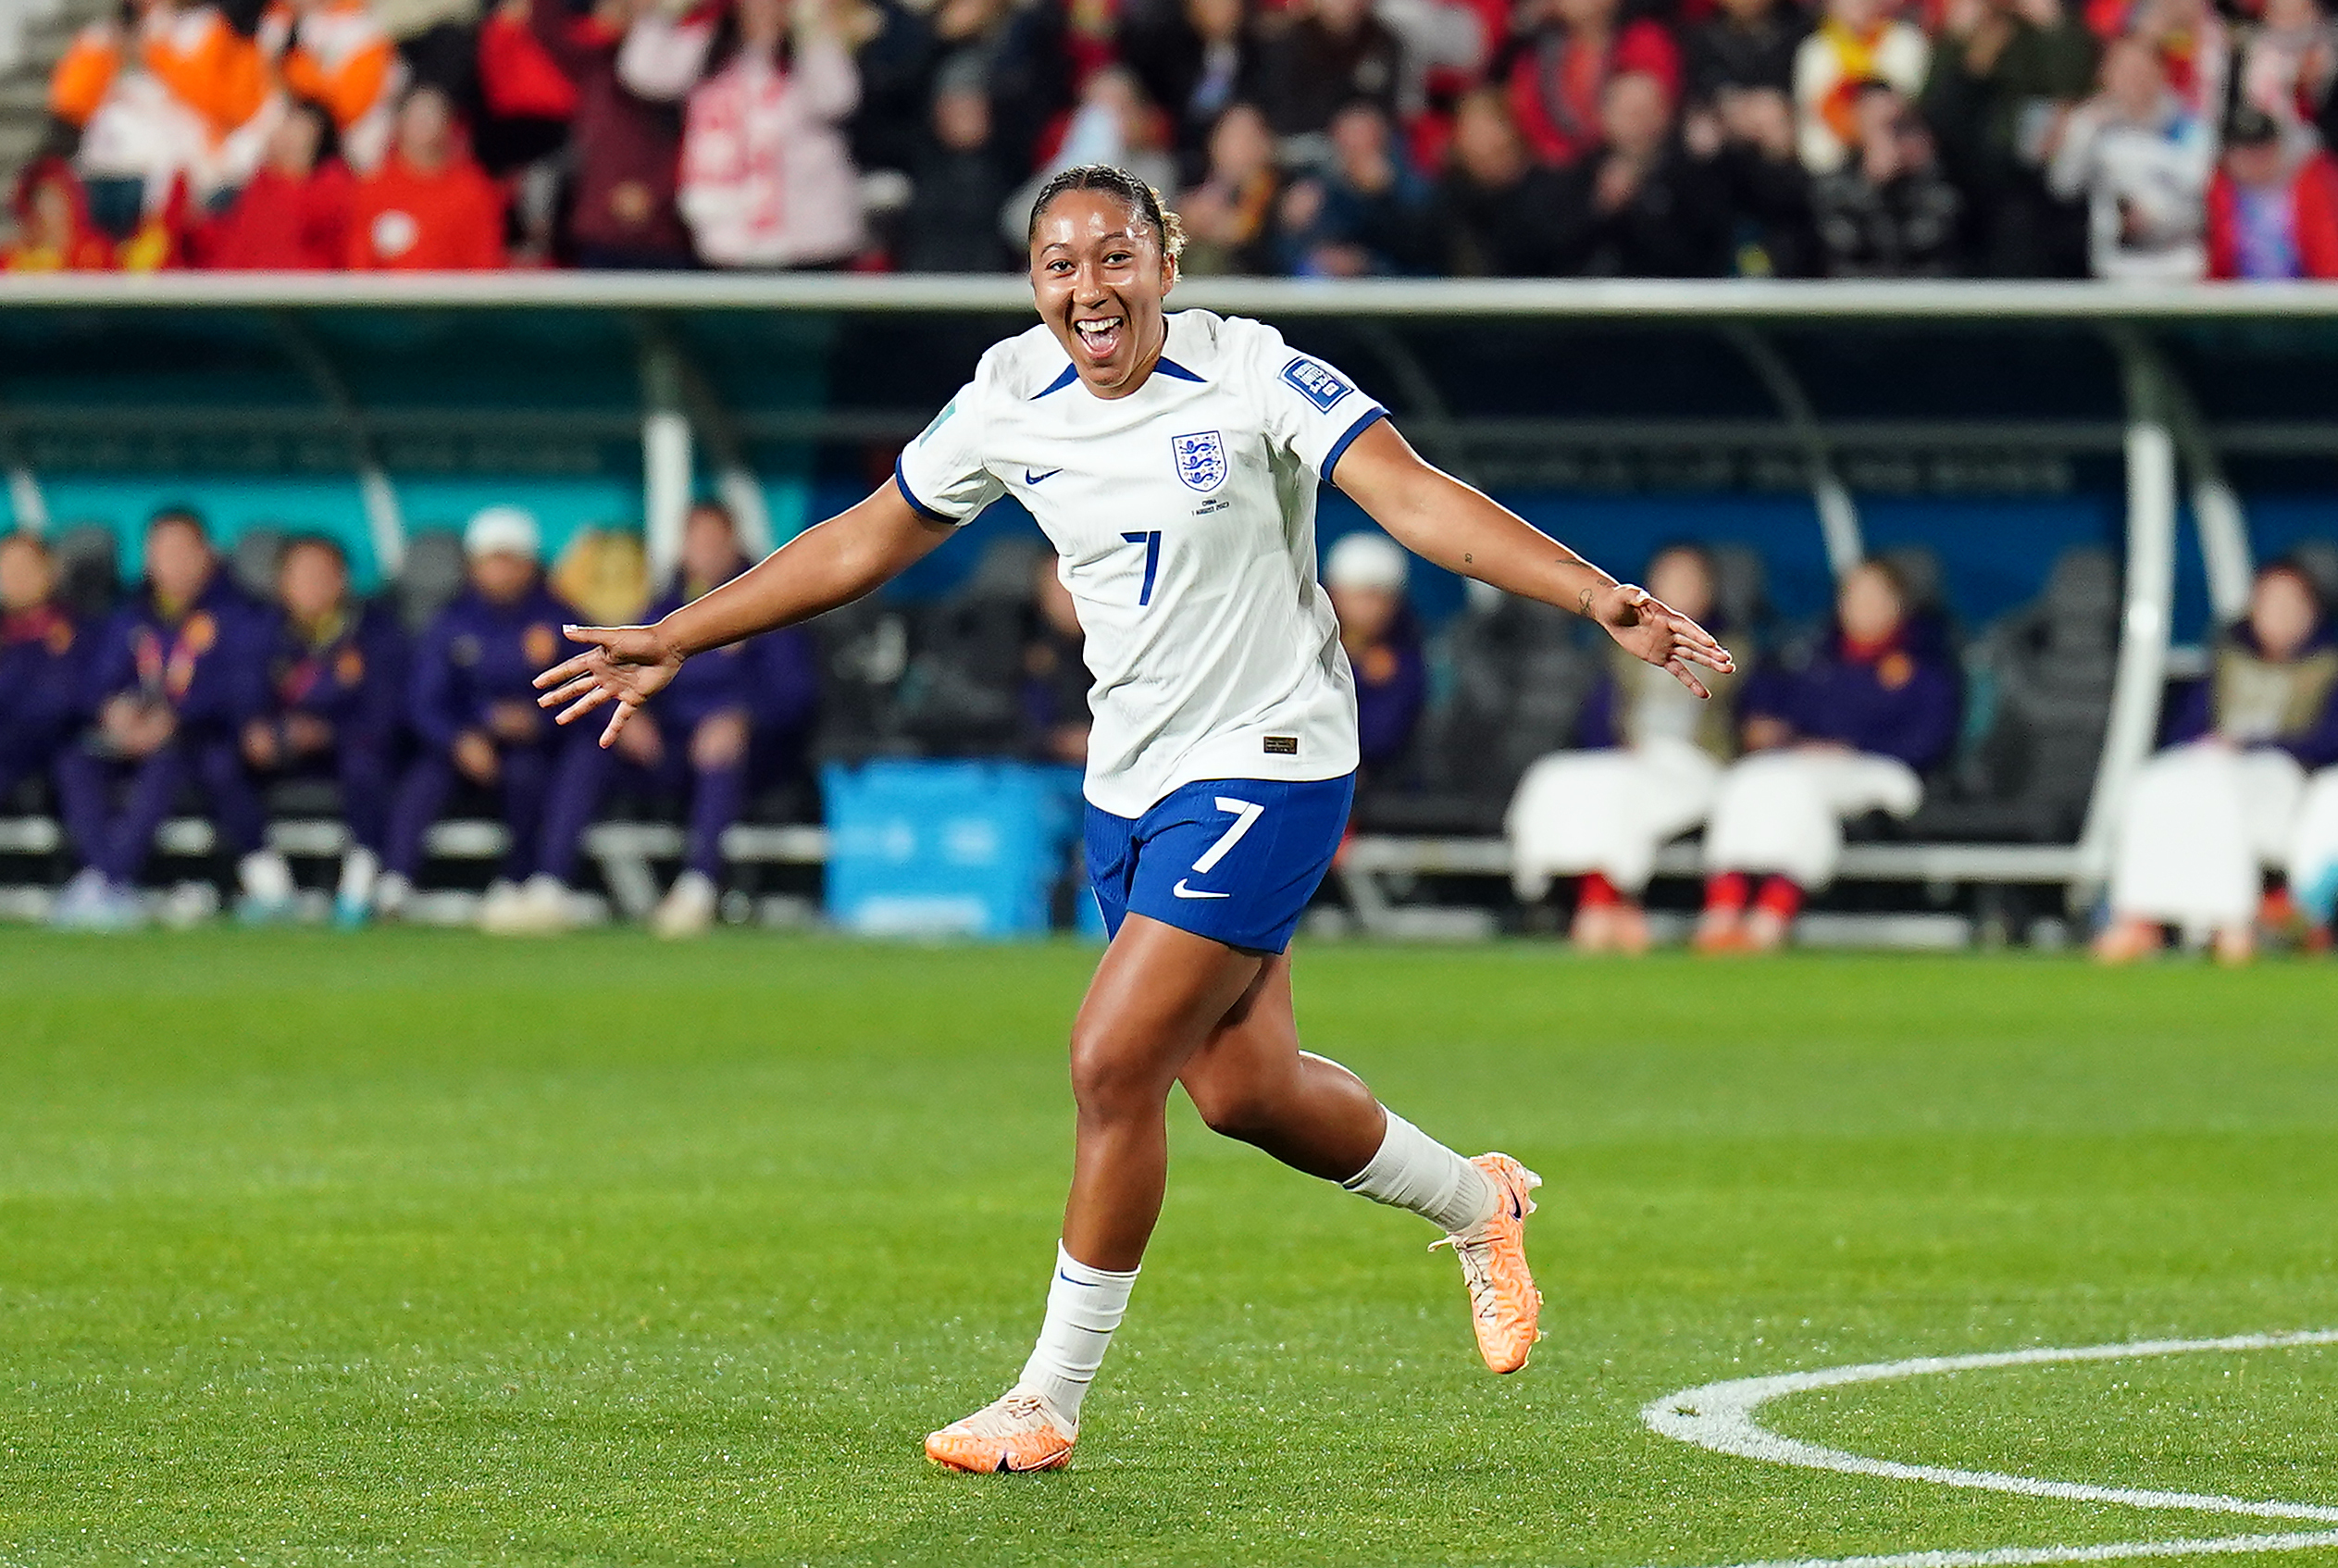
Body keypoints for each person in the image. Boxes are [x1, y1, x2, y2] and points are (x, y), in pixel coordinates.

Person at [531, 163, 1732, 1472]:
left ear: (1166, 260)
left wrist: (1591, 591)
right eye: (1059, 264)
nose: (1087, 288)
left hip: (1271, 757)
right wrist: (678, 637)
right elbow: (865, 537)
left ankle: (1048, 1396)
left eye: (1114, 257)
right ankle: (1478, 1198)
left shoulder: (1255, 371)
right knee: (1241, 1091)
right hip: (1133, 779)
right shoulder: (1005, 396)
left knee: (1111, 1062)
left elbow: (1414, 497)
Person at [521, 502, 816, 937]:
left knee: (720, 749)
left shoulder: (766, 603)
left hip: (749, 756)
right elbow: (632, 668)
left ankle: (698, 888)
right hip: (672, 746)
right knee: (595, 745)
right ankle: (549, 884)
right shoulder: (666, 606)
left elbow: (795, 692)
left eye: (714, 540)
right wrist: (634, 716)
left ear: (733, 543)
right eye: (695, 540)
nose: (703, 550)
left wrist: (744, 719)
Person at [1697, 556, 1959, 953]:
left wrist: (1851, 749)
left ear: (1899, 603)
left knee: (1798, 786)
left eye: (1874, 595)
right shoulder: (1816, 658)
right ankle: (1723, 909)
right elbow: (1778, 710)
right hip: (1804, 762)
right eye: (1853, 595)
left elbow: (1930, 740)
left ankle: (1773, 914)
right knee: (1748, 777)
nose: (1862, 605)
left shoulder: (1927, 667)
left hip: (1885, 772)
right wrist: (1776, 731)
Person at [51, 507, 295, 930]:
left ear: (207, 555)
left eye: (184, 551)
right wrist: (112, 710)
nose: (173, 563)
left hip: (199, 736)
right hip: (130, 736)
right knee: (74, 762)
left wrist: (176, 716)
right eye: (162, 552)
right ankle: (107, 877)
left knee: (173, 762)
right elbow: (95, 681)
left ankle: (110, 880)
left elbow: (243, 688)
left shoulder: (239, 615)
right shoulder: (130, 614)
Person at [1507, 543, 1746, 954]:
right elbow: (1597, 715)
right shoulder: (1620, 649)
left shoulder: (1738, 652)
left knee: (1621, 787)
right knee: (1557, 775)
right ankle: (1588, 899)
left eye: (1688, 581)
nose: (1677, 590)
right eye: (1668, 579)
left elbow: (1750, 721)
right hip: (1633, 757)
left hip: (1696, 765)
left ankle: (1603, 904)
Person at [2097, 560, 2338, 964]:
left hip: (2286, 773)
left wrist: (2252, 743)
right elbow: (2188, 722)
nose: (2278, 614)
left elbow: (2326, 739)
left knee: (2220, 796)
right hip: (2213, 760)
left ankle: (2233, 924)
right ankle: (2138, 918)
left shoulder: (2328, 663)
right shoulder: (2228, 655)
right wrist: (2211, 742)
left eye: (2290, 604)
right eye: (2269, 602)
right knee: (2156, 783)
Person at [379, 507, 580, 929]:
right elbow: (424, 701)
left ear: (531, 563)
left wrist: (537, 722)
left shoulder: (559, 618)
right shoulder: (451, 620)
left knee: (530, 776)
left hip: (535, 747)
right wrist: (463, 735)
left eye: (511, 559)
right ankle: (394, 880)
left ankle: (518, 882)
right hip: (461, 743)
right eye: (492, 560)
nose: (501, 571)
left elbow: (584, 688)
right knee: (424, 777)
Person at [243, 535, 407, 927]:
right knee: (219, 761)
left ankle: (360, 882)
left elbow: (385, 711)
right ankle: (267, 885)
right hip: (282, 750)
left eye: (323, 574)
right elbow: (240, 696)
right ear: (282, 583)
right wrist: (263, 730)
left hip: (349, 746)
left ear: (343, 581)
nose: (313, 585)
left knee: (368, 765)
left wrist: (328, 731)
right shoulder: (262, 633)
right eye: (302, 575)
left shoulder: (375, 633)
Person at [656, 0, 866, 269]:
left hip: (810, 242)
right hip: (728, 241)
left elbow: (837, 99)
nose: (763, 8)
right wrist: (672, 10)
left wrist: (809, 28)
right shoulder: (710, 54)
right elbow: (645, 73)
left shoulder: (809, 55)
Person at [510, 0, 694, 269]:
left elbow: (705, 146)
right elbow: (546, 28)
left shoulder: (683, 71)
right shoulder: (596, 66)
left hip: (662, 240)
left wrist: (657, 193)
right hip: (599, 239)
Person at [2046, 34, 2212, 279]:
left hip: (2179, 265)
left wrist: (2155, 216)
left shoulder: (2190, 127)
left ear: (2161, 73)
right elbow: (2063, 186)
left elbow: (2203, 191)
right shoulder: (2090, 124)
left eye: (2141, 69)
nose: (2133, 79)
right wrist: (2082, 131)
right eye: (2123, 69)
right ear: (2106, 75)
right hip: (2114, 267)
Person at [1551, 68, 1734, 276]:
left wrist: (1641, 207)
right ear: (1604, 116)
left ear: (1666, 115)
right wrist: (1600, 210)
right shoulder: (1580, 172)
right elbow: (1552, 249)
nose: (1640, 123)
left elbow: (1704, 253)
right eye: (1630, 113)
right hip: (1592, 298)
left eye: (1648, 112)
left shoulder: (1693, 174)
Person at [1809, 81, 1968, 276]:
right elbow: (1845, 245)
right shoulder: (1832, 187)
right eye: (1878, 126)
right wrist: (1872, 186)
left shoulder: (1936, 183)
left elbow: (1933, 242)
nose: (1890, 138)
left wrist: (1920, 175)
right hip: (1857, 295)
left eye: (1896, 126)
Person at [346, 82, 509, 268]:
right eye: (415, 116)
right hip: (388, 296)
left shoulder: (473, 191)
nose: (422, 124)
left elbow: (485, 263)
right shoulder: (372, 188)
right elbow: (358, 264)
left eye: (431, 116)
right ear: (399, 123)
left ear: (448, 125)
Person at [1502, 0, 1682, 168]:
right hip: (1580, 174)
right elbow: (1546, 143)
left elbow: (1650, 115)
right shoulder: (1535, 67)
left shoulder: (1644, 37)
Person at [190, 96, 356, 269]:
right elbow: (221, 247)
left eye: (298, 136)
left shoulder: (327, 204)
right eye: (287, 126)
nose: (284, 138)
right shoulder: (248, 196)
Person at [0, 535, 97, 825]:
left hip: (57, 742)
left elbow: (73, 699)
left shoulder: (77, 632)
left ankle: (106, 869)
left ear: (51, 571)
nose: (17, 578)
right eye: (7, 570)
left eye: (26, 568)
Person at [1430, 86, 1573, 275]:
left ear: (1509, 129)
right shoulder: (1451, 196)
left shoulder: (1548, 188)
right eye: (1470, 129)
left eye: (1485, 126)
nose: (1480, 140)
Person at [258, 0, 406, 173]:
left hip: (350, 153)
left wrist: (294, 68)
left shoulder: (365, 31)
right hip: (281, 137)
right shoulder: (280, 19)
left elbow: (344, 109)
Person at [1324, 531, 1426, 778]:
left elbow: (1381, 738)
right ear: (1335, 594)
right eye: (1360, 596)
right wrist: (1358, 671)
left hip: (1389, 789)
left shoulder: (1406, 661)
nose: (1371, 609)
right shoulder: (1307, 650)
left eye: (1381, 596)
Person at [1793, 0, 1931, 175]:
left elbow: (1904, 100)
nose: (1857, 3)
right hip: (1833, 167)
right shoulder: (1815, 51)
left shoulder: (1905, 41)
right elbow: (1813, 109)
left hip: (1904, 161)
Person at [2205, 105, 2338, 280]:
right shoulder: (2215, 192)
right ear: (2227, 156)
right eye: (2245, 152)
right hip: (2234, 296)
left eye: (2262, 149)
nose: (2255, 160)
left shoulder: (2307, 188)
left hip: (2302, 293)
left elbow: (2327, 254)